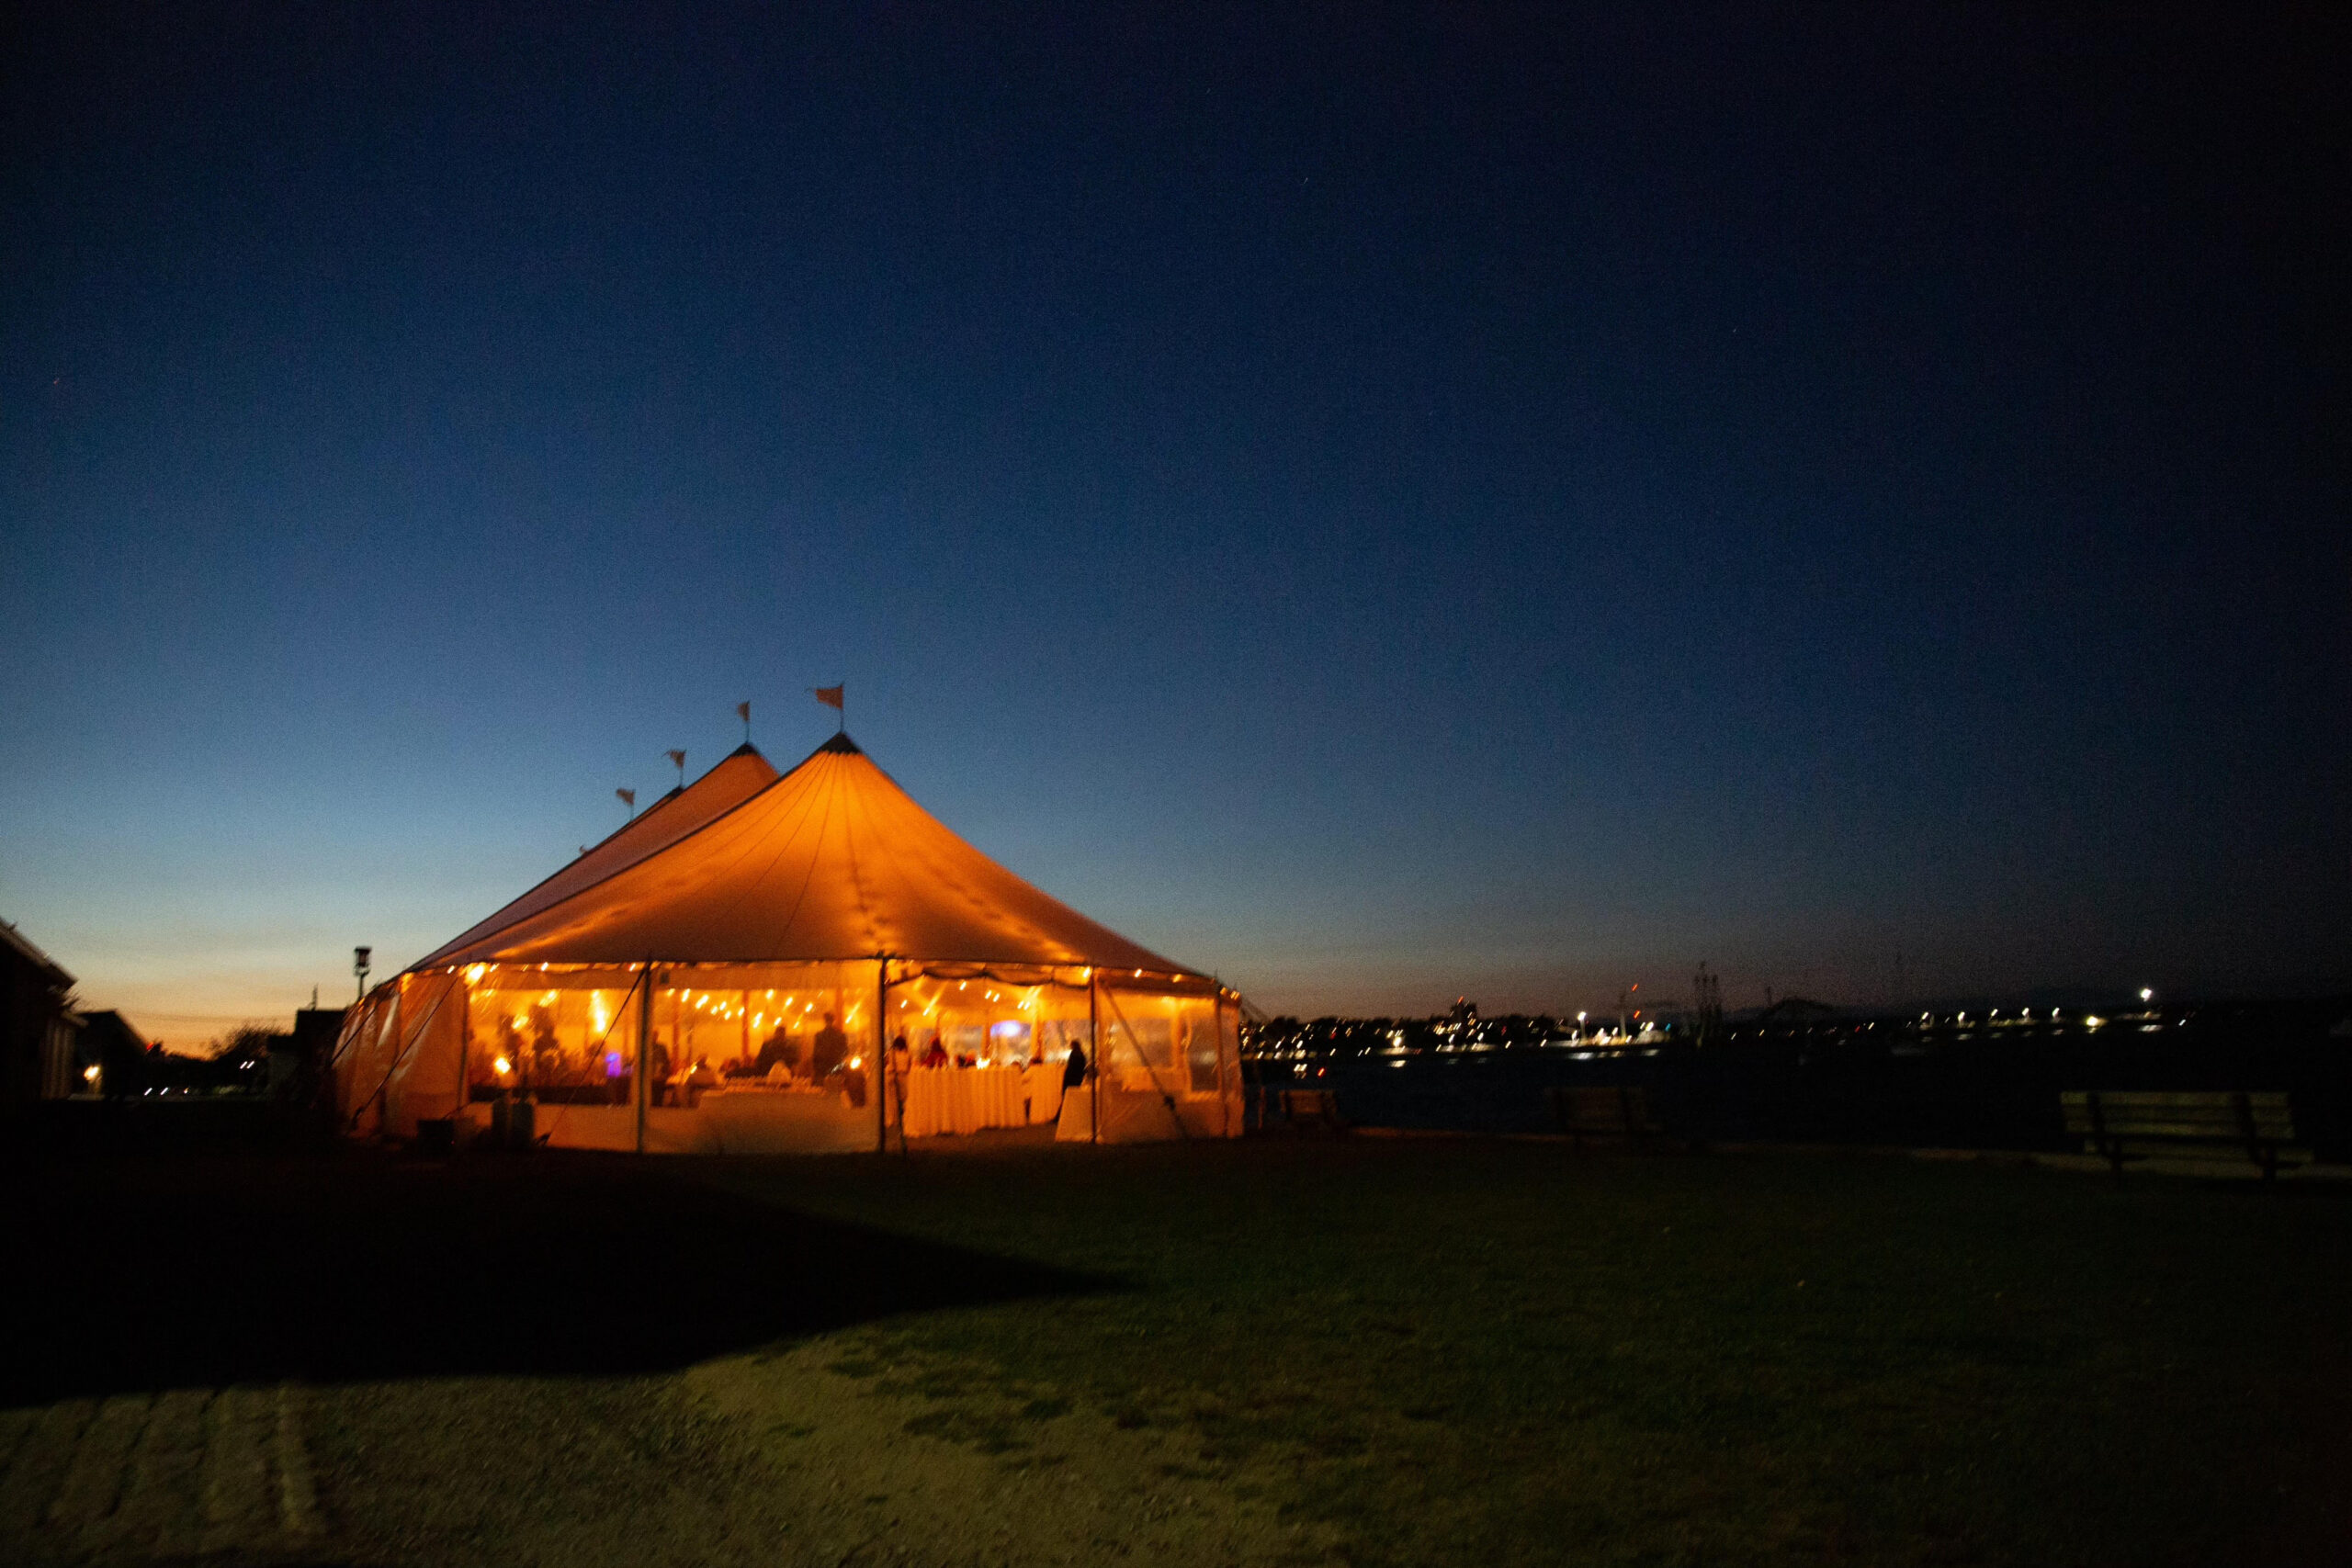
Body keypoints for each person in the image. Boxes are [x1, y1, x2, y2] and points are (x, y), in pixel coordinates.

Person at [808, 1011, 848, 1080]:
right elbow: (845, 1052)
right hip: (835, 1066)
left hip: (823, 1067)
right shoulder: (840, 1035)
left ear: (825, 1021)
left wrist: (816, 1067)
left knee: (823, 1087)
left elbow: (816, 1054)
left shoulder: (819, 1036)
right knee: (835, 1085)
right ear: (833, 1021)